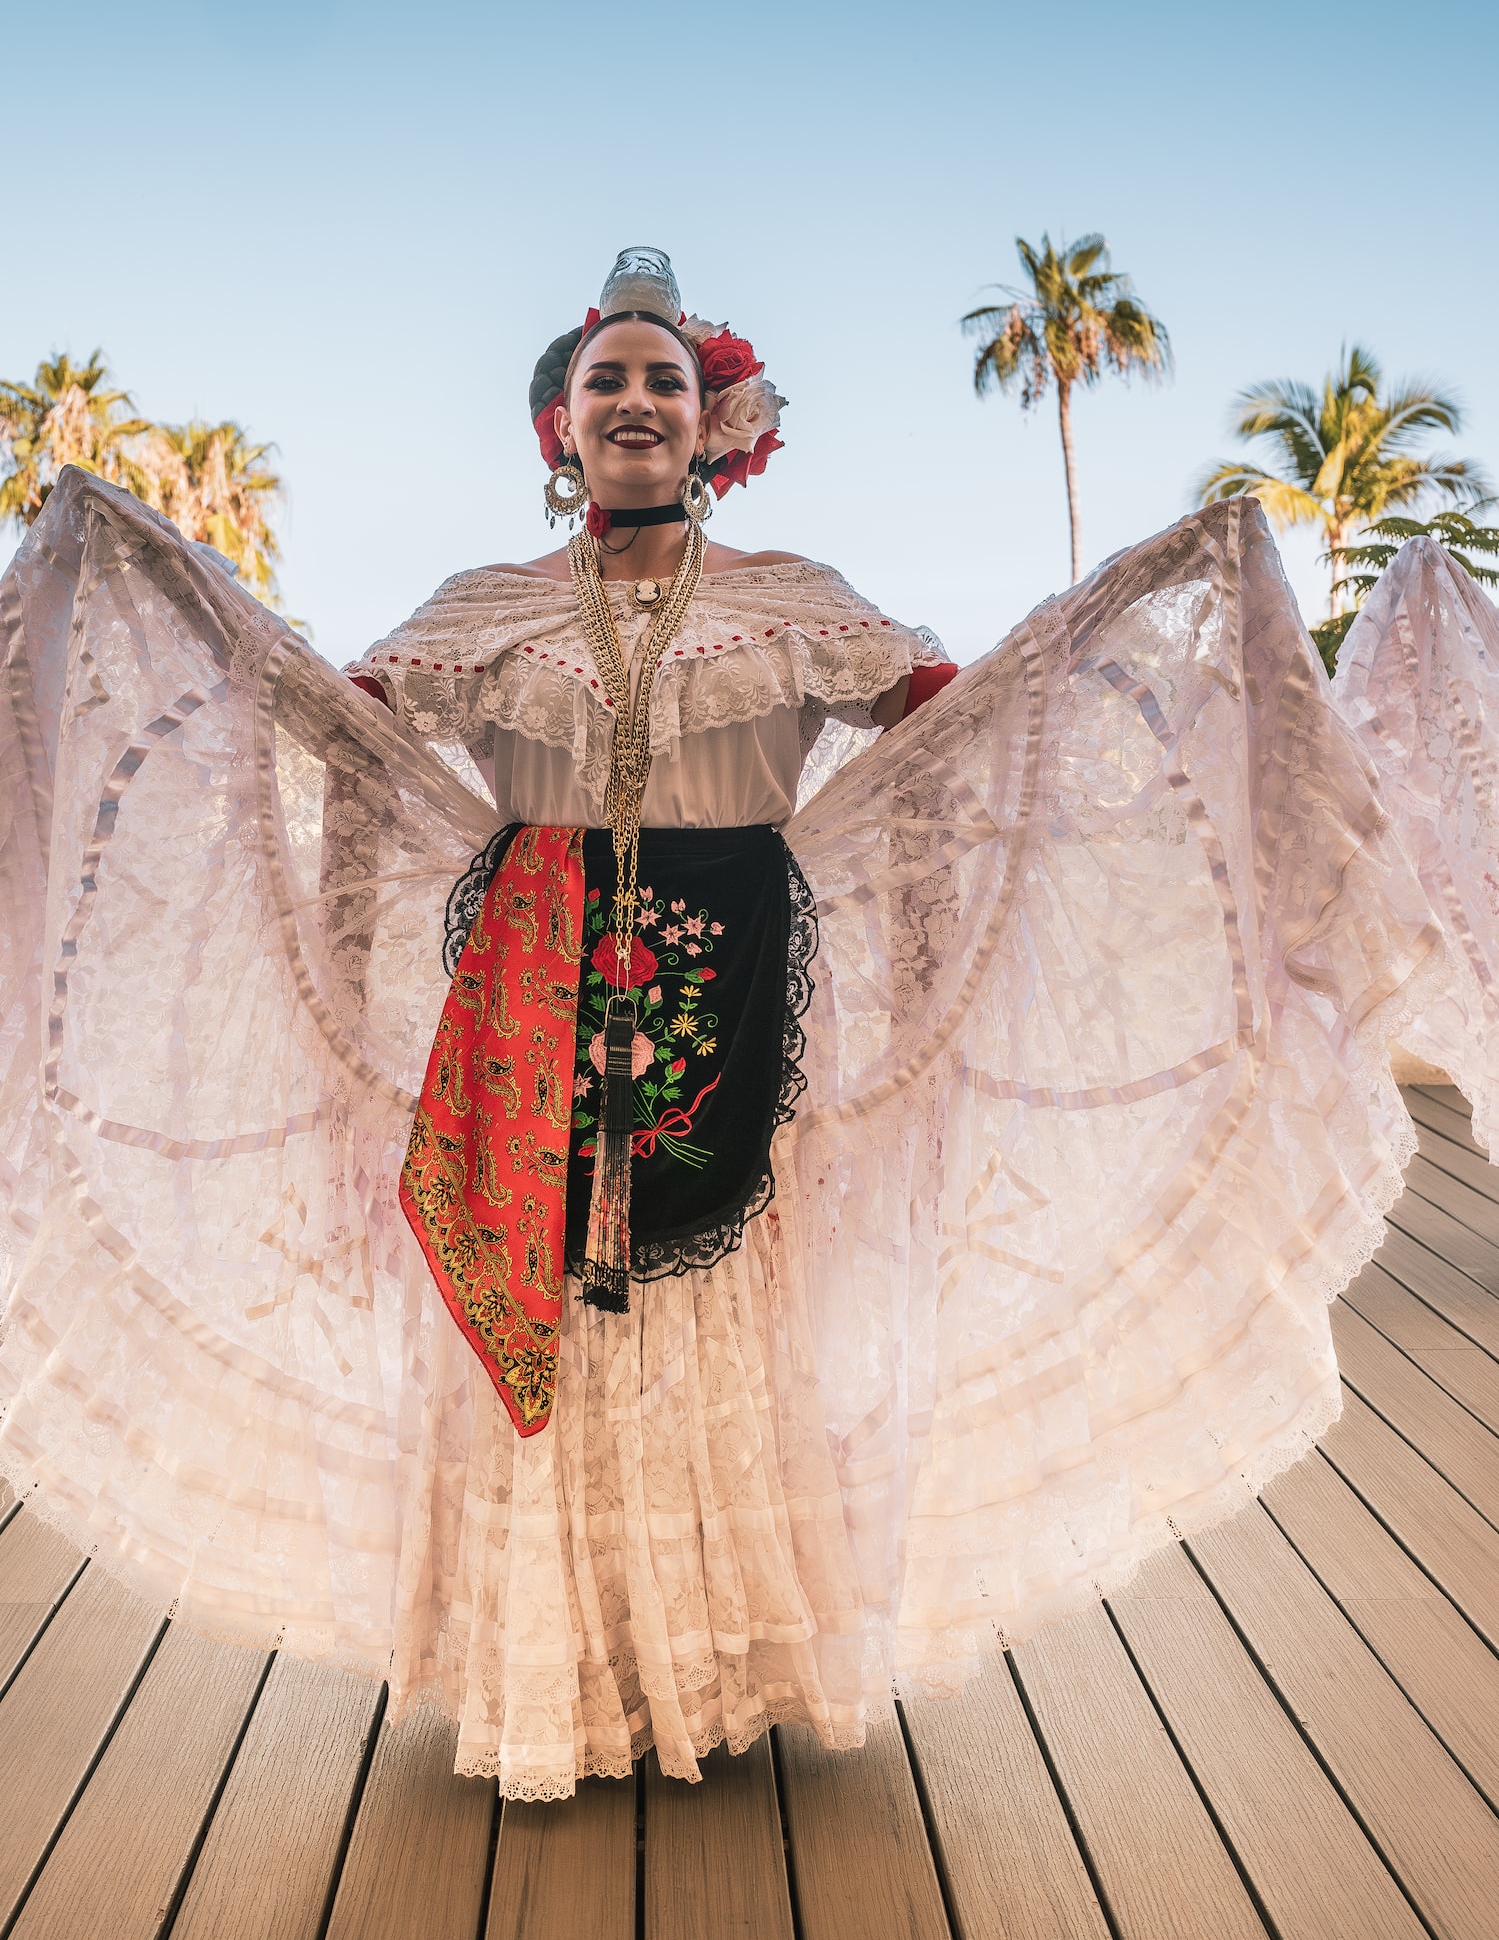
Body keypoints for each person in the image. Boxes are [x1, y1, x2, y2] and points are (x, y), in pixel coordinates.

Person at [0, 249, 1446, 1800]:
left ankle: (717, 1665)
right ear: (561, 425)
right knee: (546, 1294)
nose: (636, 400)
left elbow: (961, 732)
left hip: (737, 978)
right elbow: (327, 734)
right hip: (527, 991)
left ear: (716, 423)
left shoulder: (796, 605)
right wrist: (180, 613)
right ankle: (544, 1662)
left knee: (716, 1308)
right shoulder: (480, 612)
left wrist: (1120, 618)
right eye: (607, 378)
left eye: (665, 381)